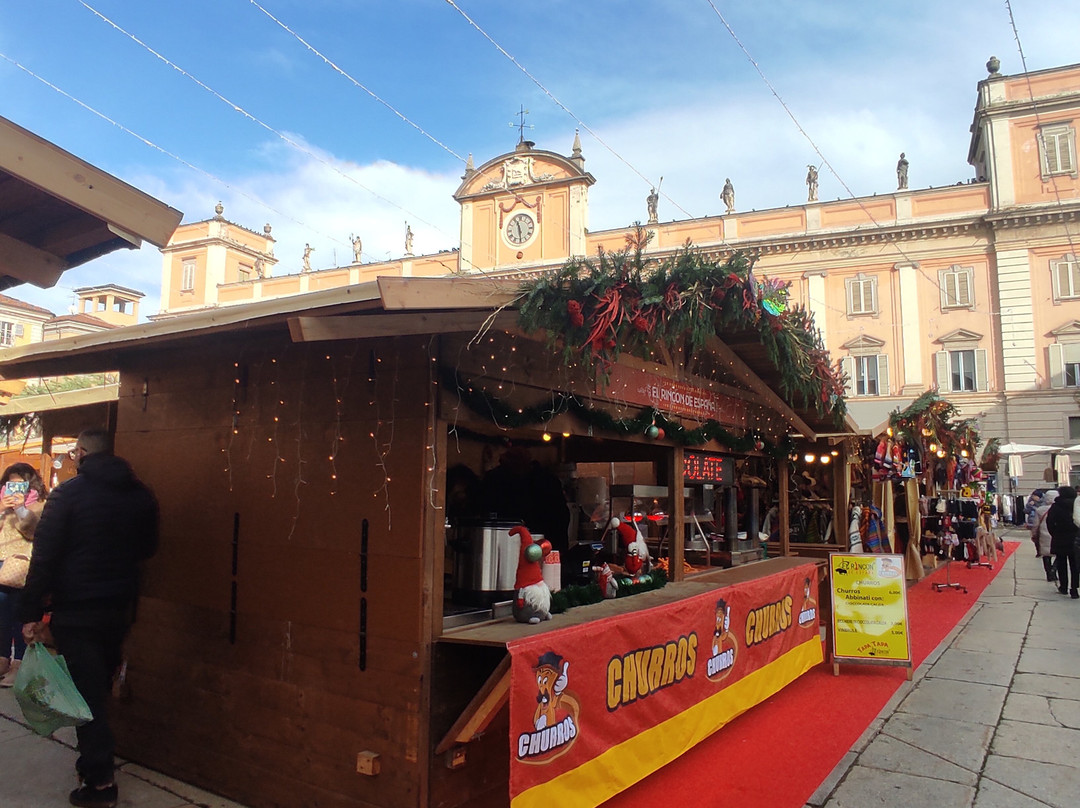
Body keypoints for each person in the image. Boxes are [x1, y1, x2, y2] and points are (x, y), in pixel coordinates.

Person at [19, 428, 160, 807]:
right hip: (120, 608)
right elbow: (149, 547)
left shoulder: (69, 495)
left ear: (81, 452)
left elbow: (44, 557)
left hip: (78, 610)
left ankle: (99, 782)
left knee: (87, 694)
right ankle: (95, 765)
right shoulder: (141, 495)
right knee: (98, 687)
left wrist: (31, 612)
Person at [0, 462, 47, 687]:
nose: (15, 489)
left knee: (20, 615)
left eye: (20, 483)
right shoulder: (1, 504)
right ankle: (2, 659)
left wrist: (20, 510)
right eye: (11, 483)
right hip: (0, 566)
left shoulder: (38, 504)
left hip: (20, 567)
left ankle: (19, 663)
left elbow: (33, 533)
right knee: (1, 616)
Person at [1045, 484, 1078, 597]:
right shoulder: (1076, 505)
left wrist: (1054, 533)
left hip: (1060, 537)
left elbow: (1049, 522)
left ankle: (1063, 586)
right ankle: (1074, 589)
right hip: (1075, 537)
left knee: (1061, 563)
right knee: (1075, 565)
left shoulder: (1056, 506)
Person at [1032, 489, 1058, 582]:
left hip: (1044, 534)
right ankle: (1054, 569)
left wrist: (1034, 534)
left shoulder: (1040, 510)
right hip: (1056, 534)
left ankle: (1048, 573)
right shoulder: (1059, 508)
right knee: (1059, 554)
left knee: (1046, 555)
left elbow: (1035, 524)